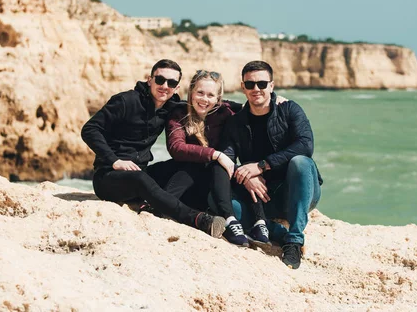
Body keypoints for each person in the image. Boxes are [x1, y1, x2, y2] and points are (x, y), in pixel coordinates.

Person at [81, 59, 226, 238]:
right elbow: (90, 129)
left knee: (191, 163)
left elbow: (203, 103)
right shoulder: (126, 101)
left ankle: (154, 207)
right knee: (140, 177)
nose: (165, 86)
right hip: (108, 178)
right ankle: (198, 219)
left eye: (171, 83)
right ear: (150, 80)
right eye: (160, 80)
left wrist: (244, 108)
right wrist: (114, 161)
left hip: (140, 173)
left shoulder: (169, 106)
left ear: (177, 87)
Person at [213, 60, 323, 269]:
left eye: (262, 84)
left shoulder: (289, 109)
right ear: (243, 87)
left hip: (298, 191)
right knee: (221, 203)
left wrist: (262, 165)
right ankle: (279, 233)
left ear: (271, 86)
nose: (257, 89)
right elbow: (227, 158)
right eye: (251, 84)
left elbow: (305, 146)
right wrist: (246, 175)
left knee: (301, 162)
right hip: (262, 199)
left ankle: (294, 241)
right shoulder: (236, 123)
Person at [163, 70, 271, 247]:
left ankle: (260, 223)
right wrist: (216, 154)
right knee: (216, 163)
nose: (204, 99)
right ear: (191, 93)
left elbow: (254, 108)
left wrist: (276, 101)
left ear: (218, 99)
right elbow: (176, 148)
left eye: (210, 95)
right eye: (200, 93)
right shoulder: (179, 114)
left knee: (244, 170)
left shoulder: (225, 112)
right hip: (187, 177)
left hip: (216, 177)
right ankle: (230, 221)